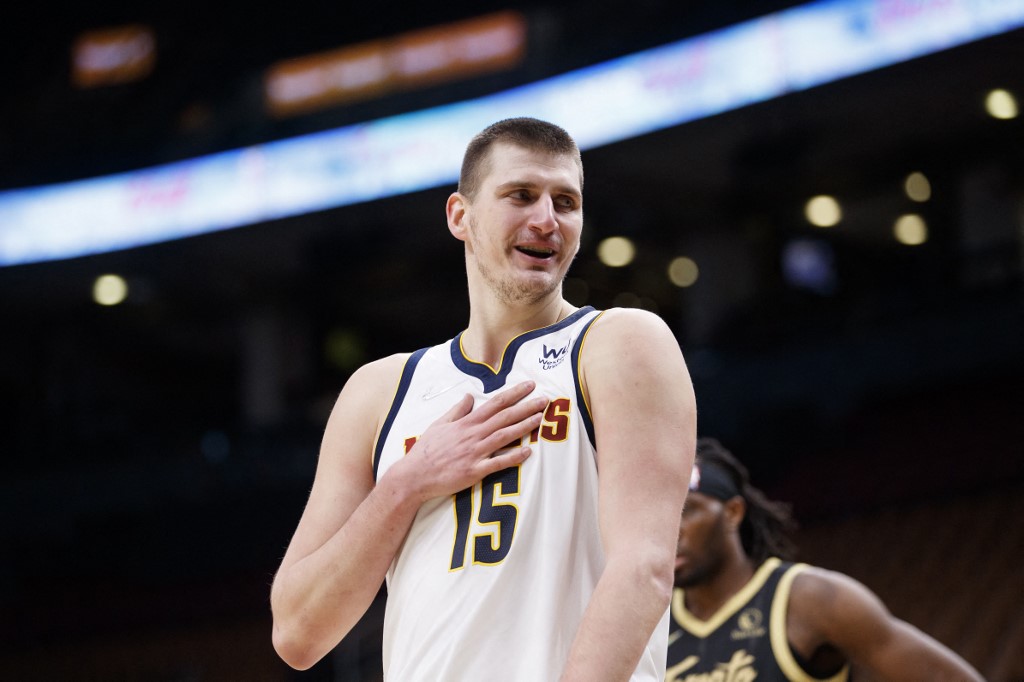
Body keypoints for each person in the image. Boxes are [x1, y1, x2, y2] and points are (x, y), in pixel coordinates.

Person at [270, 117, 697, 680]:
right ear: (460, 216)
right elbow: (298, 633)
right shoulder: (379, 391)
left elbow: (642, 569)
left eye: (565, 202)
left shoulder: (619, 343)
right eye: (521, 195)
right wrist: (406, 482)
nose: (547, 220)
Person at [667, 437, 985, 682]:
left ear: (733, 513)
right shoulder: (651, 626)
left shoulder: (812, 600)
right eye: (660, 516)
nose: (669, 530)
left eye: (687, 510)